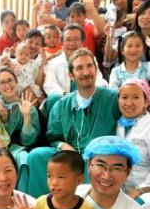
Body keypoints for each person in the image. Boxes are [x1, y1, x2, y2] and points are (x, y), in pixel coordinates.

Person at [28, 48, 120, 198]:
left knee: (93, 162)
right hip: (69, 153)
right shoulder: (62, 104)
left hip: (99, 155)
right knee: (36, 155)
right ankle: (41, 208)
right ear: (71, 75)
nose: (86, 72)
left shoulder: (113, 99)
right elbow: (54, 136)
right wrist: (62, 146)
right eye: (79, 68)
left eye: (90, 66)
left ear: (96, 70)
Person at [0, 67, 40, 192]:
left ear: (16, 82)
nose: (7, 85)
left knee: (24, 158)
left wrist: (27, 116)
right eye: (2, 82)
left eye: (10, 80)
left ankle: (22, 198)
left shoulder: (28, 106)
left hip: (15, 148)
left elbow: (28, 141)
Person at [43, 24, 107, 102]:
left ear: (82, 42)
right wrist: (68, 96)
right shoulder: (52, 63)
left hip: (87, 98)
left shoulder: (90, 59)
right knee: (53, 99)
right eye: (68, 39)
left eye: (76, 39)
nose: (72, 43)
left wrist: (103, 88)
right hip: (63, 101)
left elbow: (98, 79)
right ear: (62, 42)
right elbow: (50, 85)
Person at [116, 79, 150, 201]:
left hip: (145, 192)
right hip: (119, 190)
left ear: (146, 101)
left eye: (136, 97)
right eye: (124, 97)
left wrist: (140, 190)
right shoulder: (117, 124)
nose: (129, 103)